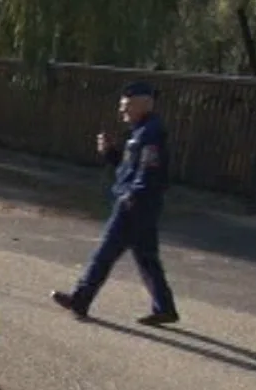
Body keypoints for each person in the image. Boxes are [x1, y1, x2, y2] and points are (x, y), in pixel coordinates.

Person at [51, 81, 179, 326]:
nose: (123, 111)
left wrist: (133, 196)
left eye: (127, 106)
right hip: (142, 204)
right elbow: (129, 167)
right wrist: (111, 153)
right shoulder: (141, 131)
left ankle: (81, 298)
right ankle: (165, 307)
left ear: (145, 103)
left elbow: (150, 170)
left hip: (135, 205)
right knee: (146, 258)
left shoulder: (151, 133)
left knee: (104, 253)